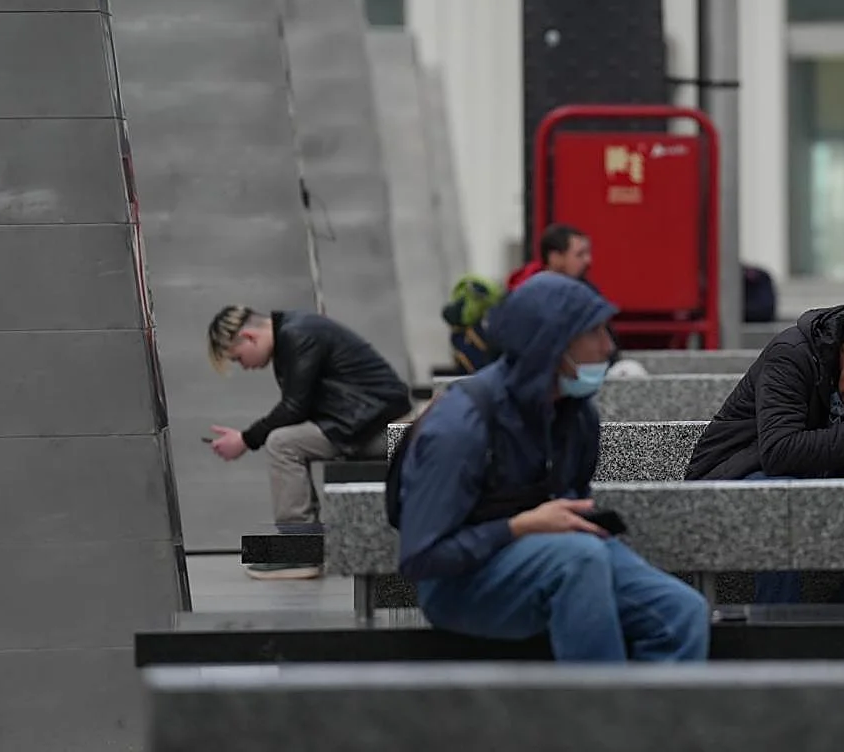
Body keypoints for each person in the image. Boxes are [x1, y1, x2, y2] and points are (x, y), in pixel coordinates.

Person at [396, 272, 709, 662]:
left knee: (682, 612)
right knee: (578, 558)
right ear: (553, 346)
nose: (608, 347)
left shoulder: (577, 415)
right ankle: (597, 715)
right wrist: (518, 527)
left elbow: (571, 507)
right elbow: (420, 557)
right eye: (594, 332)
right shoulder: (461, 426)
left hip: (559, 558)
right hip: (459, 585)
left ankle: (646, 721)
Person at [685, 304, 844, 604]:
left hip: (819, 481)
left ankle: (839, 626)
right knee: (780, 502)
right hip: (737, 474)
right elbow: (778, 451)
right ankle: (781, 635)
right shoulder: (792, 354)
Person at [206, 306, 411, 580]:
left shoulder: (297, 335)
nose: (243, 366)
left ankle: (300, 551)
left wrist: (245, 439)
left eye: (238, 357)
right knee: (285, 439)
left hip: (385, 429)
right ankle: (303, 544)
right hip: (369, 422)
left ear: (250, 336)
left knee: (281, 443)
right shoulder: (295, 331)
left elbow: (293, 408)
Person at [507, 223, 647, 377]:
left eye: (588, 253)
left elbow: (609, 346)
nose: (588, 260)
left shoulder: (587, 293)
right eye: (580, 255)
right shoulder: (526, 298)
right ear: (555, 258)